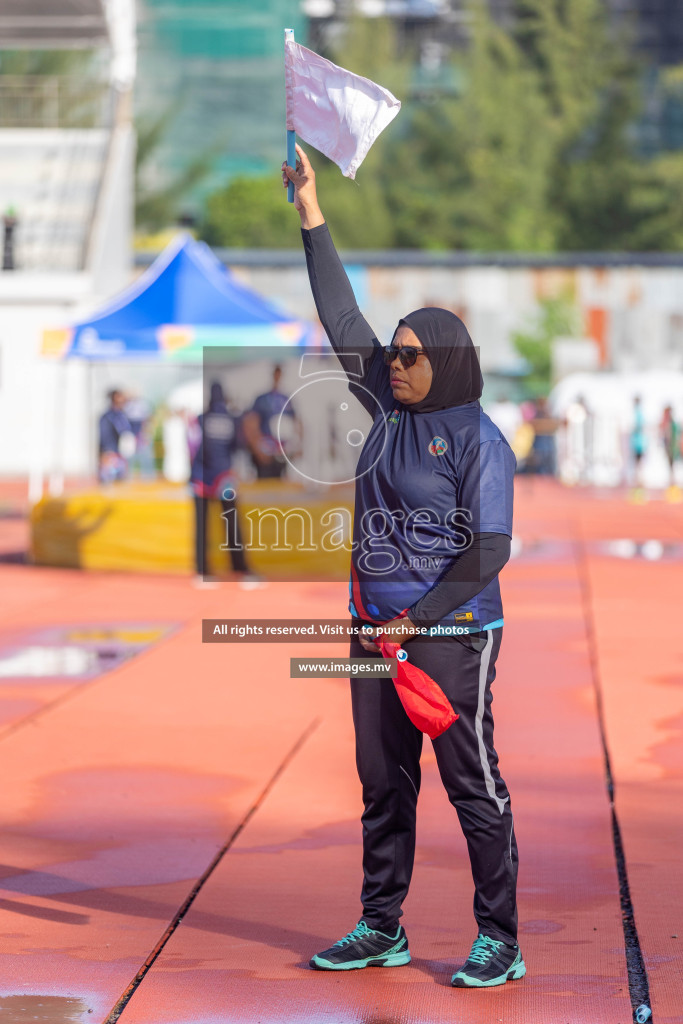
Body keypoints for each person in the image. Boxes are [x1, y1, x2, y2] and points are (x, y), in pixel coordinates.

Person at [283, 147, 522, 988]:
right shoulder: (380, 403)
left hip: (451, 634)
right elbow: (340, 312)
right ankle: (380, 926)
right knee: (382, 785)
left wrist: (413, 622)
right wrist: (310, 212)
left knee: (471, 786)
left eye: (413, 355)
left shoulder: (479, 441)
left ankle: (500, 939)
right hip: (371, 631)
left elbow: (487, 550)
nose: (396, 361)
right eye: (395, 352)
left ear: (447, 362)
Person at [189, 381, 253, 583]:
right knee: (232, 522)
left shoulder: (200, 419)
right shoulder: (231, 420)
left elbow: (192, 448)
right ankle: (240, 568)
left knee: (201, 525)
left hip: (201, 479)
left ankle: (202, 571)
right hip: (224, 479)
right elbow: (237, 447)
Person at [242, 365, 301, 479]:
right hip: (265, 450)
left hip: (282, 452)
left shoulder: (286, 399)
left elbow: (296, 422)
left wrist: (297, 445)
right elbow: (250, 423)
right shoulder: (262, 399)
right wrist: (256, 447)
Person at [98, 389, 134, 484]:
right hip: (111, 455)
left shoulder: (122, 416)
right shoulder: (108, 417)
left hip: (121, 455)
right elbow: (104, 436)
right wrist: (106, 453)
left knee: (121, 483)